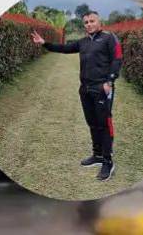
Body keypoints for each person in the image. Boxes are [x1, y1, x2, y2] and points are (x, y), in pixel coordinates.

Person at [31, 11, 122, 181]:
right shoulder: (83, 42)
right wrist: (44, 43)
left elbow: (117, 59)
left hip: (102, 87)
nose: (88, 24)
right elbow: (65, 48)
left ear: (99, 21)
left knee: (104, 123)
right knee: (92, 123)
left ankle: (108, 162)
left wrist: (109, 82)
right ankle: (97, 155)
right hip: (85, 89)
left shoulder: (109, 38)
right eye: (86, 22)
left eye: (92, 21)